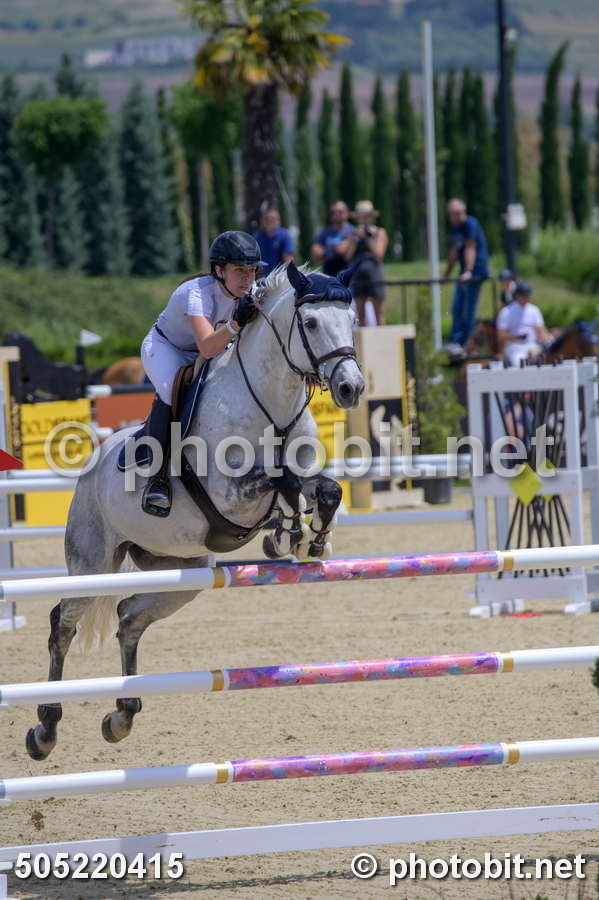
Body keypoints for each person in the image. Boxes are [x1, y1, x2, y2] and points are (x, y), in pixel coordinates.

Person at [139, 231, 266, 516]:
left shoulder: (253, 291)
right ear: (219, 270)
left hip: (213, 346)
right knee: (171, 392)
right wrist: (235, 324)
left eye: (252, 271)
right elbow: (207, 348)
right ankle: (157, 479)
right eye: (239, 270)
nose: (247, 278)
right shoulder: (195, 293)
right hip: (167, 347)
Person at [443, 198, 489, 353]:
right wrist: (446, 275)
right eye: (453, 214)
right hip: (465, 274)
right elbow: (454, 253)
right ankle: (456, 341)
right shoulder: (456, 228)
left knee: (468, 310)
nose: (457, 216)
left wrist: (468, 271)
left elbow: (471, 247)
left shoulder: (470, 223)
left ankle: (465, 343)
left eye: (459, 213)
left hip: (475, 272)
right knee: (456, 308)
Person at [337, 200, 388, 326]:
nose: (364, 219)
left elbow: (378, 255)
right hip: (358, 274)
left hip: (374, 273)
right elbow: (347, 256)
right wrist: (355, 240)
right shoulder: (353, 234)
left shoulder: (380, 232)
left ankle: (382, 336)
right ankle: (364, 337)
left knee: (378, 313)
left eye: (366, 216)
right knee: (360, 314)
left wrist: (367, 238)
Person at [496, 282, 551, 367]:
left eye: (528, 296)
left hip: (532, 345)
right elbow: (501, 335)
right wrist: (517, 336)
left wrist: (545, 341)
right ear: (517, 296)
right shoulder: (506, 312)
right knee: (519, 364)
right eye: (524, 296)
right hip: (515, 347)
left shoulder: (534, 310)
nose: (527, 298)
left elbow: (541, 330)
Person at [311, 201, 355, 276]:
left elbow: (342, 250)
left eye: (340, 212)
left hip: (347, 273)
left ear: (347, 213)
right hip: (329, 272)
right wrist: (336, 248)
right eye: (332, 212)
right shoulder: (325, 232)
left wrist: (326, 250)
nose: (336, 214)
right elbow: (315, 253)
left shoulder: (353, 231)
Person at [254, 208, 294, 276]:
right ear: (262, 221)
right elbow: (255, 260)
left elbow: (288, 259)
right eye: (266, 219)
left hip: (280, 275)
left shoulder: (285, 235)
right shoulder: (257, 237)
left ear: (279, 221)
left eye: (273, 219)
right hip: (263, 276)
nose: (269, 221)